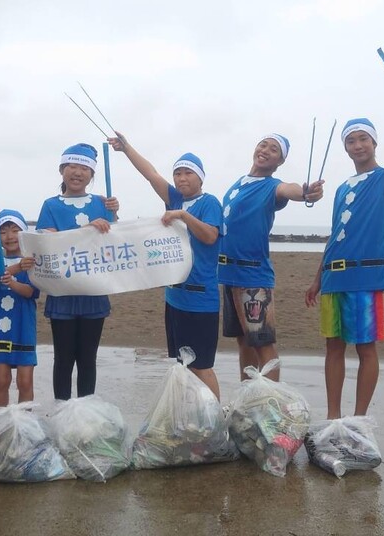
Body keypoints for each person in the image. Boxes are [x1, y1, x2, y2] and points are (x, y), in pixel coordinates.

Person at [304, 107, 384, 418]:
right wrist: (317, 278)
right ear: (345, 147)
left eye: (363, 139)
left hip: (366, 278)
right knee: (333, 349)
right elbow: (335, 235)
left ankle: (359, 419)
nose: (357, 145)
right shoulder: (341, 188)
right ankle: (333, 417)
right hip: (334, 279)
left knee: (366, 349)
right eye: (351, 141)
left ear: (374, 143)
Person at [107, 132, 223, 398]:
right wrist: (126, 148)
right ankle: (195, 413)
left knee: (202, 365)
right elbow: (151, 174)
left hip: (201, 299)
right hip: (175, 298)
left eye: (187, 173)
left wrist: (182, 215)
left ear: (200, 177)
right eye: (178, 174)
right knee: (184, 363)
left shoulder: (209, 203)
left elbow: (210, 236)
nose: (181, 178)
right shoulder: (174, 199)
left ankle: (215, 416)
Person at [219, 133, 324, 382]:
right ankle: (248, 399)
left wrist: (306, 191)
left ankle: (270, 405)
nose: (266, 150)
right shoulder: (238, 184)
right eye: (263, 144)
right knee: (244, 341)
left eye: (274, 149)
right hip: (229, 275)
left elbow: (290, 190)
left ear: (280, 162)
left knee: (263, 344)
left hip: (253, 277)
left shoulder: (271, 187)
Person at [36, 143, 120, 400]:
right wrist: (86, 231)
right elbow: (46, 243)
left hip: (93, 294)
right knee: (63, 359)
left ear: (92, 174)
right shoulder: (50, 205)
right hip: (62, 294)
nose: (77, 172)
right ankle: (62, 412)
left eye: (84, 168)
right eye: (72, 166)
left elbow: (114, 244)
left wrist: (114, 215)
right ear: (62, 170)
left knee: (88, 359)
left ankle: (86, 413)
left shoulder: (102, 203)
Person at [0, 209, 38, 407]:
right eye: (3, 231)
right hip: (1, 331)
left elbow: (31, 292)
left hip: (24, 327)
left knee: (25, 381)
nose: (10, 236)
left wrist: (13, 282)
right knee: (2, 380)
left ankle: (25, 425)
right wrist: (15, 269)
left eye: (15, 230)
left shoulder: (31, 262)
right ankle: (2, 422)